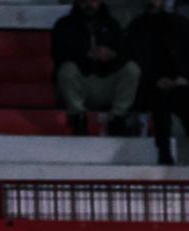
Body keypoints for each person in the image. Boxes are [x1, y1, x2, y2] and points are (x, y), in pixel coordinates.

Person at [125, 0, 189, 166]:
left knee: (188, 102)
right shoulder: (136, 27)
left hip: (181, 83)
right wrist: (154, 80)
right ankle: (164, 150)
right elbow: (133, 60)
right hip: (149, 86)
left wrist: (183, 77)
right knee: (159, 101)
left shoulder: (181, 24)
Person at [51, 0, 140, 135]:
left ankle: (117, 118)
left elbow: (126, 53)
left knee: (132, 69)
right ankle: (78, 119)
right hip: (80, 83)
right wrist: (86, 54)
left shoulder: (112, 24)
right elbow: (58, 54)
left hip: (106, 83)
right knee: (67, 70)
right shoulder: (64, 25)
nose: (88, 4)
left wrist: (111, 55)